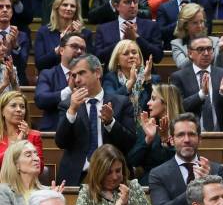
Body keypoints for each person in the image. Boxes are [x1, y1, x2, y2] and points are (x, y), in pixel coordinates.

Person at [55, 54, 136, 186]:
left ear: (97, 72)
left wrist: (111, 123)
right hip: (78, 176)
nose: (77, 80)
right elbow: (61, 142)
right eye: (74, 75)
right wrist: (72, 111)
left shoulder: (121, 102)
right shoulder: (67, 105)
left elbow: (129, 143)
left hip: (113, 176)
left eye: (81, 73)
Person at [170, 34, 223, 132]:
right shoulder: (179, 77)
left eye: (209, 49)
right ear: (190, 53)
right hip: (191, 134)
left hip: (221, 135)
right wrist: (201, 94)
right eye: (200, 49)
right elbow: (178, 108)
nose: (206, 53)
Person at [127, 83, 184, 185]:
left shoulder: (184, 128)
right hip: (150, 183)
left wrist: (165, 142)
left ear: (166, 103)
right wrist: (148, 139)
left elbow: (179, 163)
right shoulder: (149, 127)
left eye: (153, 99)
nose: (148, 103)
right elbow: (132, 161)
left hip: (177, 184)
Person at [0, 139, 55, 205]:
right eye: (28, 155)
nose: (36, 158)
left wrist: (55, 204)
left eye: (36, 154)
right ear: (16, 165)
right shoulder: (4, 191)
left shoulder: (47, 192)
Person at [92, 0, 164, 65]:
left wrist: (137, 38)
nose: (133, 5)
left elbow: (158, 57)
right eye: (128, 2)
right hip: (113, 75)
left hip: (143, 74)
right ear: (116, 6)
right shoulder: (104, 29)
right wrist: (121, 42)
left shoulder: (151, 26)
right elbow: (98, 58)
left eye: (135, 1)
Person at [34, 32, 86, 131]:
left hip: (82, 131)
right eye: (74, 46)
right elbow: (41, 99)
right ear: (61, 50)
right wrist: (68, 90)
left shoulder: (89, 76)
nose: (79, 51)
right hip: (54, 130)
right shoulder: (48, 74)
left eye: (83, 48)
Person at [34, 0, 92, 72]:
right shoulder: (44, 32)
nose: (68, 8)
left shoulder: (85, 33)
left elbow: (90, 63)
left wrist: (79, 38)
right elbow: (40, 64)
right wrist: (59, 48)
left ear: (76, 10)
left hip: (77, 78)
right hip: (51, 79)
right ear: (57, 8)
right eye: (65, 5)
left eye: (72, 6)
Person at [103, 39, 155, 120]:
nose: (131, 56)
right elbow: (110, 103)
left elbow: (155, 106)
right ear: (117, 61)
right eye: (126, 53)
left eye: (134, 52)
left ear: (140, 57)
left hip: (147, 125)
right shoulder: (110, 79)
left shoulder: (151, 79)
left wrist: (147, 81)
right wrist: (130, 83)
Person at [171, 3, 223, 70]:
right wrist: (196, 49)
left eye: (201, 22)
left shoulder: (215, 41)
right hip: (189, 79)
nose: (200, 26)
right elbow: (182, 67)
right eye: (195, 23)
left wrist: (220, 49)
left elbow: (220, 67)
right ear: (185, 25)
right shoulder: (177, 44)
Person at [0, 90, 42, 168]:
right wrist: (16, 146)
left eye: (22, 107)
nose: (19, 110)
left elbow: (39, 168)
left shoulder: (34, 136)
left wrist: (25, 142)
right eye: (13, 105)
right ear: (2, 111)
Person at [0, 0, 29, 85]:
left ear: (12, 12)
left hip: (16, 81)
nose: (4, 10)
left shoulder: (22, 36)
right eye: (0, 7)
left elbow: (22, 66)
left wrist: (15, 45)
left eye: (8, 7)